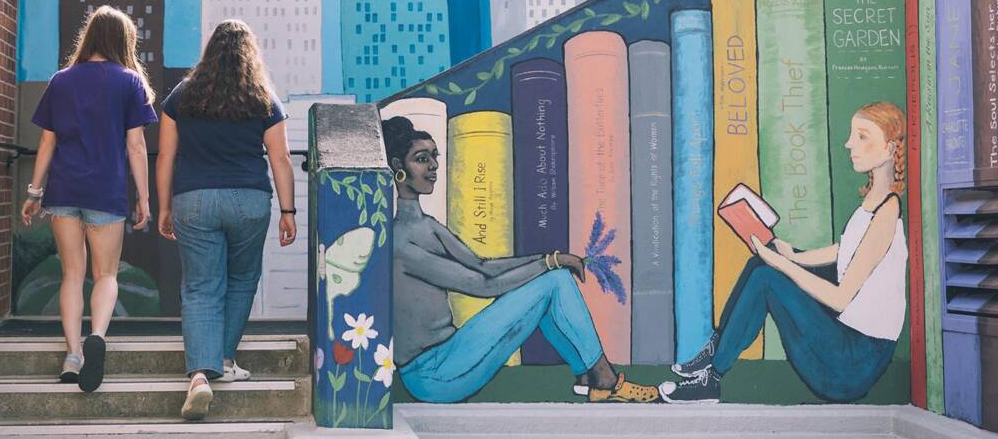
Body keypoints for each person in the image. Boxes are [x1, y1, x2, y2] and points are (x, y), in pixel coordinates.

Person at [383, 116, 658, 404]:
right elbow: (484, 284)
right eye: (422, 158)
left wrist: (549, 258)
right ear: (399, 168)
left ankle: (593, 379)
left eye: (434, 157)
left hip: (453, 356)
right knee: (554, 280)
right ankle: (604, 379)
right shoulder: (401, 241)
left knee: (555, 279)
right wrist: (549, 264)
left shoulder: (427, 226)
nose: (434, 166)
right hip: (431, 376)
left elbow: (483, 265)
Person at [661, 101, 909, 404]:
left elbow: (841, 297)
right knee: (760, 262)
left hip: (854, 361)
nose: (848, 144)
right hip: (846, 341)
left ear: (888, 149)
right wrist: (792, 255)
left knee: (767, 276)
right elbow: (844, 251)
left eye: (862, 136)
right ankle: (717, 348)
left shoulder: (887, 211)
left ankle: (711, 381)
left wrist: (782, 264)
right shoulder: (874, 201)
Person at [156, 20, 298, 420]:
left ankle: (200, 374)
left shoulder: (183, 96)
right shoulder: (262, 97)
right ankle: (226, 360)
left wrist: (164, 206)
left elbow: (166, 155)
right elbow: (281, 159)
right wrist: (289, 211)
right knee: (240, 280)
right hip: (249, 199)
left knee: (201, 286)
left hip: (194, 198)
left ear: (210, 52)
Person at [21, 5, 157, 392]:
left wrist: (34, 191)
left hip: (63, 190)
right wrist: (144, 198)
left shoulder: (61, 81)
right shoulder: (129, 82)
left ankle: (73, 354)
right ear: (122, 40)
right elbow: (135, 146)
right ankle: (97, 334)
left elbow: (47, 141)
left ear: (90, 37)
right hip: (106, 192)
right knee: (106, 274)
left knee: (71, 274)